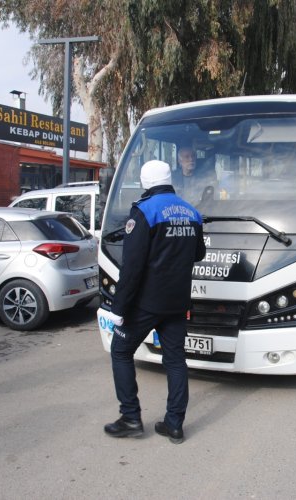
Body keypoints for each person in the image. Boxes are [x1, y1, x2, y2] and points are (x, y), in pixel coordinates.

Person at [103, 160, 206, 444]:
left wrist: (119, 309)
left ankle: (131, 418)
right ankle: (174, 424)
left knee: (121, 351)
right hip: (177, 302)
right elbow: (198, 254)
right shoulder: (191, 212)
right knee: (175, 361)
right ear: (169, 179)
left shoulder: (144, 211)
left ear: (145, 182)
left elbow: (131, 268)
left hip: (146, 303)